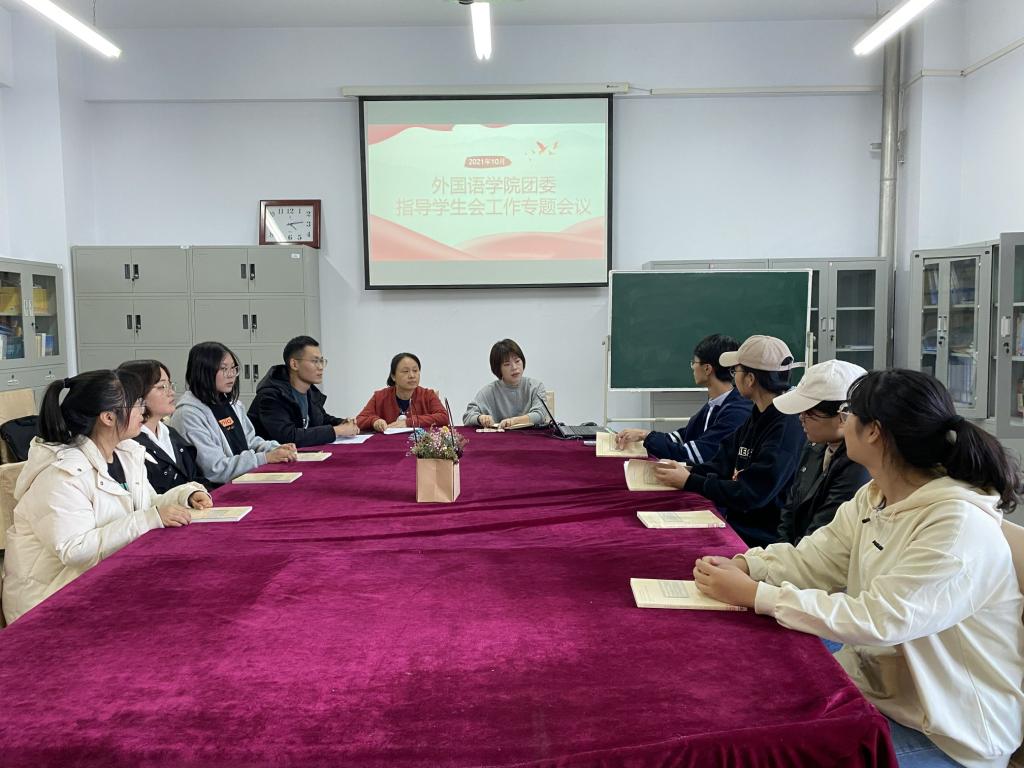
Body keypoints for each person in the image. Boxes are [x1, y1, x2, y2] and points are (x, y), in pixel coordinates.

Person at [692, 369, 1024, 768]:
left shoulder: (957, 527)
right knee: (751, 699)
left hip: (949, 735)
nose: (843, 422)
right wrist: (749, 565)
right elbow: (817, 558)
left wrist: (757, 594)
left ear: (873, 432)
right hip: (879, 693)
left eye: (849, 414)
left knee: (772, 750)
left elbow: (881, 619)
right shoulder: (875, 495)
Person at [2, 370, 211, 624]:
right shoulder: (62, 475)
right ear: (109, 417)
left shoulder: (125, 453)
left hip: (101, 583)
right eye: (136, 404)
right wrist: (150, 518)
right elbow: (75, 550)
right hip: (50, 602)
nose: (143, 411)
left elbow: (146, 505)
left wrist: (185, 496)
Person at [654, 335, 805, 547]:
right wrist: (687, 470)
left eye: (736, 371)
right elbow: (723, 461)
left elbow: (751, 493)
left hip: (760, 541)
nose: (732, 378)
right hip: (739, 525)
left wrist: (689, 481)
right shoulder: (759, 414)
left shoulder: (785, 427)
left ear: (750, 379)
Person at [772, 358, 870, 545]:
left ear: (843, 416)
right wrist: (780, 549)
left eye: (808, 413)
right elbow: (790, 509)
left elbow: (823, 532)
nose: (800, 418)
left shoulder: (859, 464)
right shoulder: (814, 445)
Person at [169, 341, 298, 484]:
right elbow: (215, 469)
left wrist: (274, 448)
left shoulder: (232, 404)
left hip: (244, 479)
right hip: (216, 489)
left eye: (233, 368)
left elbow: (249, 441)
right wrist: (265, 458)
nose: (231, 375)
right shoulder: (188, 414)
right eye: (224, 369)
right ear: (203, 371)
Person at [615, 334, 751, 462]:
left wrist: (648, 437)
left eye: (694, 362)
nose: (692, 367)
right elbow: (683, 436)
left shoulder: (737, 412)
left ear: (707, 369)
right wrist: (644, 434)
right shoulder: (715, 404)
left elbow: (694, 455)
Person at [118, 359, 212, 494]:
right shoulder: (128, 443)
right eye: (162, 387)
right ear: (137, 393)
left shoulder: (171, 433)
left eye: (170, 385)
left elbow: (196, 478)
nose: (171, 392)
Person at [247, 336, 359, 447]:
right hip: (270, 456)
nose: (321, 367)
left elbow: (320, 419)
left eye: (321, 361)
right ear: (294, 364)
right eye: (315, 361)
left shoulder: (311, 392)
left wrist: (342, 423)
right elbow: (287, 437)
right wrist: (337, 430)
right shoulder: (271, 396)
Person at [462, 339, 548, 429]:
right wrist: (480, 418)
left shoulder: (535, 386)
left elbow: (540, 414)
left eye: (517, 361)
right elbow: (467, 416)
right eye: (507, 364)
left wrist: (513, 421)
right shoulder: (489, 391)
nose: (514, 367)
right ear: (498, 369)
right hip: (499, 437)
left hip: (530, 436)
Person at [355, 352, 448, 432]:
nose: (412, 375)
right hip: (388, 444)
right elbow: (359, 420)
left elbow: (444, 417)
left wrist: (409, 422)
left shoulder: (428, 395)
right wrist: (374, 421)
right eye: (405, 371)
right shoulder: (379, 396)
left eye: (415, 370)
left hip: (420, 445)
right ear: (393, 376)